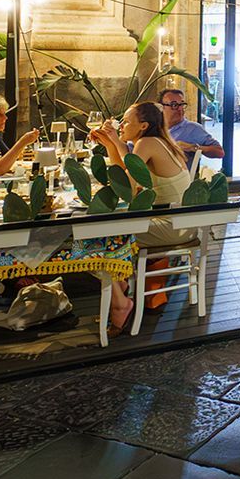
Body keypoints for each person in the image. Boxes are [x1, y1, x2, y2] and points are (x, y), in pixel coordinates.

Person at [92, 102, 193, 323]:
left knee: (96, 239)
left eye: (126, 121)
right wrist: (112, 143)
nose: (121, 125)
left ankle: (121, 300)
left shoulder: (147, 143)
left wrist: (112, 142)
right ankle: (120, 285)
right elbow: (128, 170)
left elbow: (125, 187)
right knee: (104, 233)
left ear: (144, 125)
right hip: (180, 222)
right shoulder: (155, 141)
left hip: (172, 226)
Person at [159, 88, 224, 164]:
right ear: (161, 107)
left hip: (178, 174)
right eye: (174, 105)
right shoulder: (154, 127)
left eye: (182, 104)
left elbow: (220, 152)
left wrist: (193, 147)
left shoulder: (193, 129)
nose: (180, 109)